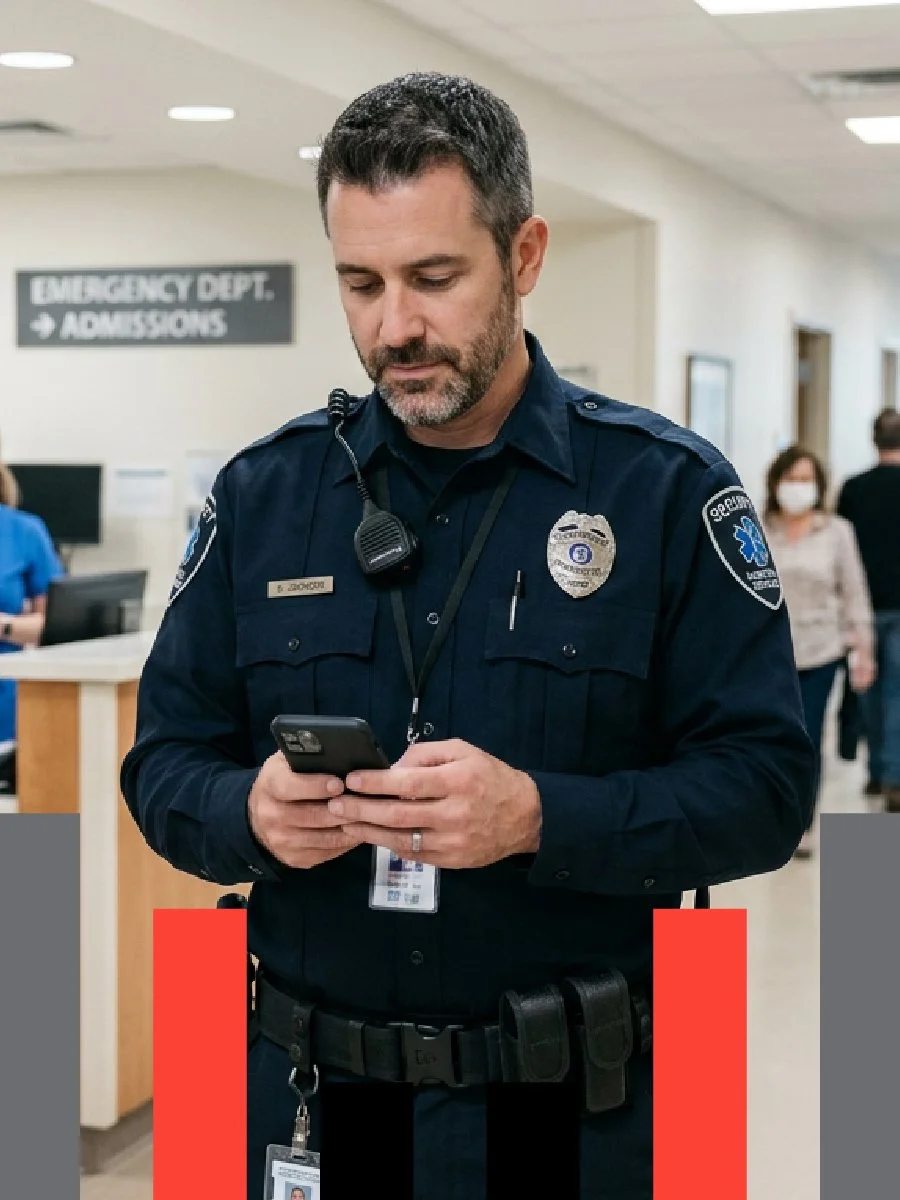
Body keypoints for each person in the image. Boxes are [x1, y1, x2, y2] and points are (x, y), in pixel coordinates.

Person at [121, 73, 815, 1200]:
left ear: (525, 255)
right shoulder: (266, 494)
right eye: (362, 283)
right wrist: (242, 811)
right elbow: (162, 764)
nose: (395, 326)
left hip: (574, 1109)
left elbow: (768, 788)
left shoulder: (664, 495)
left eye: (435, 278)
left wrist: (542, 816)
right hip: (303, 1104)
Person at [763, 446, 875, 856]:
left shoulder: (836, 531)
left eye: (806, 479)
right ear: (776, 483)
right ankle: (770, 817)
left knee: (807, 737)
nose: (798, 487)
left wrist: (864, 649)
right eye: (791, 478)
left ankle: (802, 824)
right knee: (766, 738)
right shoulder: (757, 528)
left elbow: (855, 592)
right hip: (768, 654)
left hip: (821, 651)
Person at [837, 408, 900, 809]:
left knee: (870, 692)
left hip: (863, 605)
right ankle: (894, 774)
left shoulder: (853, 488)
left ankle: (877, 772)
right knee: (897, 693)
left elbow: (841, 554)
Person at [0, 452, 63, 789]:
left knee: (30, 830)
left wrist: (3, 624)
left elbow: (56, 625)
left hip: (12, 709)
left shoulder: (22, 531)